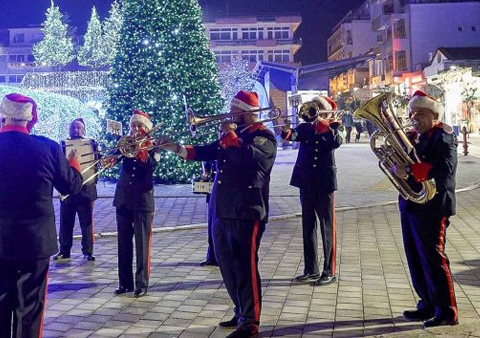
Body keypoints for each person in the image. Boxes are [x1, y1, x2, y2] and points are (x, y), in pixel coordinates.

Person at [0, 93, 83, 337]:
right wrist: (73, 164)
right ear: (30, 118)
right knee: (29, 313)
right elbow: (72, 187)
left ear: (0, 116)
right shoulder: (48, 148)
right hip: (34, 244)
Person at [171, 91, 276, 338]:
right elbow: (205, 151)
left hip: (247, 210)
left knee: (245, 266)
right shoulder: (234, 136)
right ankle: (241, 310)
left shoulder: (264, 136)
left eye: (235, 109)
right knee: (227, 264)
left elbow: (248, 159)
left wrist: (229, 135)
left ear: (247, 111)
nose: (230, 113)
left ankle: (250, 323)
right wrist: (177, 148)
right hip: (223, 209)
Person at [392, 91, 458, 328]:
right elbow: (401, 162)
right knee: (416, 257)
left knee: (433, 258)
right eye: (412, 113)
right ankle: (427, 304)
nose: (413, 118)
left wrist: (410, 171)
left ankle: (447, 310)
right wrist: (396, 166)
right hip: (412, 203)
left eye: (419, 113)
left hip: (433, 205)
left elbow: (445, 167)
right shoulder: (413, 137)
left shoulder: (443, 135)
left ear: (433, 114)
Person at [281, 95, 341, 286]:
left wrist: (326, 127)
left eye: (316, 108)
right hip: (306, 181)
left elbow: (335, 142)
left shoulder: (332, 127)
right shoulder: (306, 126)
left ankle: (329, 270)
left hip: (324, 183)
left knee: (327, 227)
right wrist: (285, 130)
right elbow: (294, 136)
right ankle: (311, 269)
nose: (312, 112)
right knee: (308, 226)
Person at [113, 110, 160, 298]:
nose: (135, 129)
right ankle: (125, 283)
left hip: (142, 200)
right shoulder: (126, 143)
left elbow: (150, 167)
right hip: (123, 199)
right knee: (123, 244)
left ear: (146, 128)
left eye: (139, 126)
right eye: (133, 126)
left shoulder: (154, 146)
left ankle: (142, 284)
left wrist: (141, 150)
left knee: (142, 245)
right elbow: (113, 158)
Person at [55, 118, 100, 262]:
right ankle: (64, 251)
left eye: (79, 127)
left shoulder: (92, 143)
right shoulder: (62, 144)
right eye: (73, 127)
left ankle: (88, 251)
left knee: (86, 223)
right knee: (65, 222)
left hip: (86, 189)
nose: (76, 130)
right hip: (68, 190)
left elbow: (98, 161)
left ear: (84, 129)